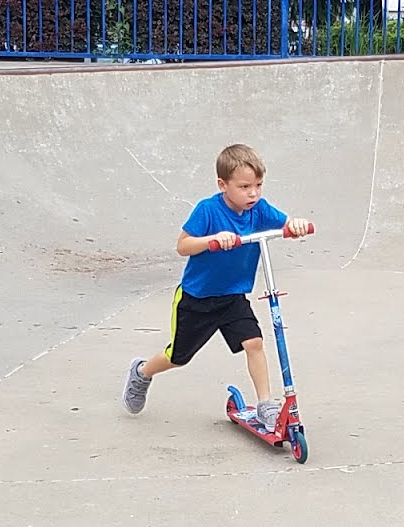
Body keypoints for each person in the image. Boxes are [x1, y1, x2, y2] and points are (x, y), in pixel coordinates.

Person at [124, 143, 313, 429]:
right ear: (222, 185)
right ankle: (142, 372)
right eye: (245, 186)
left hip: (232, 297)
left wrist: (296, 225)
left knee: (254, 342)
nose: (253, 193)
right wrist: (213, 240)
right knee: (178, 357)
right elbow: (183, 246)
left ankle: (266, 405)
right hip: (197, 299)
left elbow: (286, 223)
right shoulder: (208, 210)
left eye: (258, 185)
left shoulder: (259, 210)